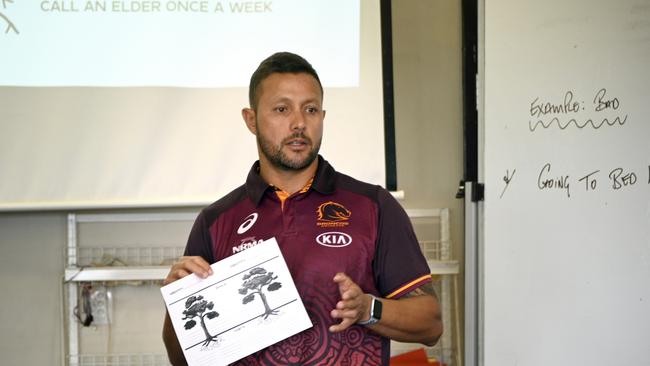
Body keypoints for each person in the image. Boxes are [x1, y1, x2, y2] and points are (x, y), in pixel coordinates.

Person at [162, 52, 443, 365]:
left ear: (322, 116)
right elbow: (182, 360)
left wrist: (368, 309)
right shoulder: (215, 221)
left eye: (310, 110)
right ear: (251, 119)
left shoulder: (373, 206)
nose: (298, 123)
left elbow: (431, 325)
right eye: (282, 109)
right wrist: (180, 301)